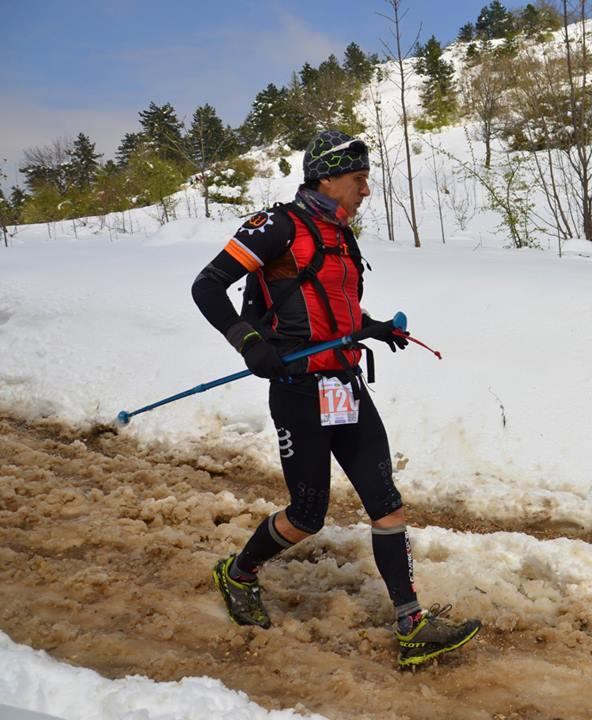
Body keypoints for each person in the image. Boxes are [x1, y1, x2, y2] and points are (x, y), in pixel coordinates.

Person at [191, 129, 480, 667]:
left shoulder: (341, 233)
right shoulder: (277, 226)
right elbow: (207, 286)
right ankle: (238, 573)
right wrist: (249, 341)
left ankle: (412, 623)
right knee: (307, 516)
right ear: (327, 178)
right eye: (359, 179)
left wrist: (371, 328)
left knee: (387, 503)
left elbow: (330, 308)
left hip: (345, 383)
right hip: (299, 390)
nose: (366, 190)